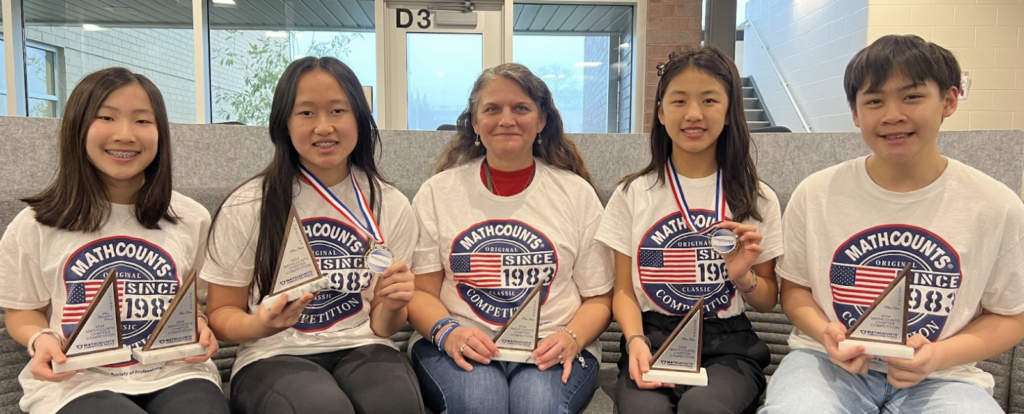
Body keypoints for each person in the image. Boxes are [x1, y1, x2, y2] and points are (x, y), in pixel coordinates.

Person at [760, 34, 1024, 414]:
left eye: (912, 96)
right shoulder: (816, 193)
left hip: (945, 377)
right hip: (827, 364)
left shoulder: (995, 205)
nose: (892, 114)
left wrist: (939, 355)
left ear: (948, 100)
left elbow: (1011, 315)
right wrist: (825, 332)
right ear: (855, 113)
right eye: (874, 101)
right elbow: (796, 290)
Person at [201, 57, 424, 414]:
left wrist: (395, 306)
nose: (324, 127)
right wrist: (258, 324)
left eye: (338, 110)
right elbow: (222, 313)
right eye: (306, 113)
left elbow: (383, 326)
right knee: (321, 407)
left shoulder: (390, 203)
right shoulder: (249, 203)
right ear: (284, 123)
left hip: (364, 345)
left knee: (394, 405)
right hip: (272, 352)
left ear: (359, 121)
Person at [0, 67, 225, 414]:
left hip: (176, 371)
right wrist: (39, 337)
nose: (125, 135)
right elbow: (23, 309)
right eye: (106, 117)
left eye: (142, 121)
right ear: (78, 126)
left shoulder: (191, 217)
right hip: (76, 380)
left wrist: (198, 323)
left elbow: (191, 300)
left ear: (160, 133)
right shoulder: (34, 223)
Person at [406, 62, 614, 414]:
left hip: (552, 343)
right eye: (492, 109)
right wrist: (449, 332)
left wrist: (571, 338)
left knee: (537, 406)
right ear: (474, 122)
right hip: (460, 341)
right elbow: (420, 294)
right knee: (480, 402)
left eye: (520, 108)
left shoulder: (575, 194)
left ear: (542, 120)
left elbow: (599, 298)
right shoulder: (437, 194)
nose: (506, 119)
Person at [595, 45, 782, 414]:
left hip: (728, 346)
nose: (694, 114)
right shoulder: (633, 194)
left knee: (704, 409)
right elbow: (623, 290)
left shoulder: (757, 197)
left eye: (709, 100)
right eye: (679, 101)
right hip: (652, 338)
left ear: (729, 111)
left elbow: (767, 299)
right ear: (661, 113)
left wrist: (742, 277)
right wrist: (634, 342)